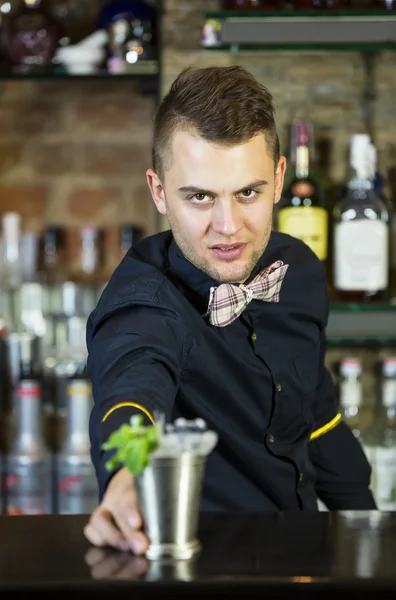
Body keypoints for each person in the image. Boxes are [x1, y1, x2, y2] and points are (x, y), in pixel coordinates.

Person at [83, 65, 376, 555]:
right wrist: (126, 475)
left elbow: (316, 414)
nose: (228, 226)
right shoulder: (144, 303)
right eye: (200, 197)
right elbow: (130, 390)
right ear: (159, 192)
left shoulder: (297, 270)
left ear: (279, 180)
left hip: (305, 562)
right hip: (203, 574)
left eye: (248, 193)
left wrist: (371, 537)